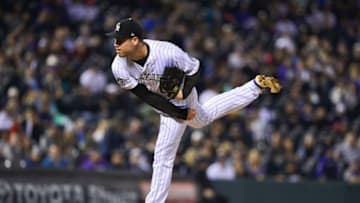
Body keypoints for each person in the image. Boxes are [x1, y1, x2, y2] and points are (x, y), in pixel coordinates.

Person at [107, 18, 281, 203]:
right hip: (163, 102)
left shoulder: (166, 51)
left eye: (120, 40)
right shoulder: (119, 67)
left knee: (163, 154)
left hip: (183, 94)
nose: (115, 44)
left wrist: (183, 94)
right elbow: (146, 96)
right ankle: (254, 86)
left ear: (134, 40)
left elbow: (196, 69)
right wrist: (181, 114)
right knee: (202, 118)